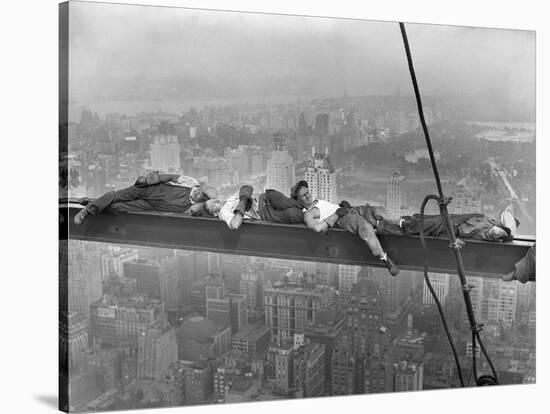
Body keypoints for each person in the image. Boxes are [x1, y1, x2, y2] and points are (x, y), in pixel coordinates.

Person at [291, 180, 400, 277]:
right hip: (342, 218)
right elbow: (317, 228)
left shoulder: (318, 201)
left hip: (348, 209)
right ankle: (384, 258)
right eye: (304, 196)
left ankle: (400, 223)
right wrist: (337, 215)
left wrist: (341, 206)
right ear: (298, 201)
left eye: (308, 192)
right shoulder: (308, 214)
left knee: (378, 211)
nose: (308, 196)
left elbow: (328, 208)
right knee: (366, 228)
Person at [73, 171, 218, 224]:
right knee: (116, 196)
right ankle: (86, 210)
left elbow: (200, 212)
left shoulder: (194, 207)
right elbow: (170, 177)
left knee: (118, 207)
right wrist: (149, 180)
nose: (198, 194)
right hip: (148, 190)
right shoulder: (191, 183)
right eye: (200, 191)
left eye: (202, 196)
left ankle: (92, 203)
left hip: (149, 205)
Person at [375, 204, 520, 242]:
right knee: (415, 221)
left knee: (411, 228)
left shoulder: (489, 230)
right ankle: (381, 223)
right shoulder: (487, 220)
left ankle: (379, 226)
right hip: (446, 221)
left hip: (446, 228)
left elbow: (495, 233)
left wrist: (506, 234)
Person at [203, 185, 304, 229]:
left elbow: (248, 187)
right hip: (264, 211)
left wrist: (244, 197)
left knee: (288, 203)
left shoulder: (229, 199)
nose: (216, 201)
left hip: (265, 197)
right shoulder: (223, 212)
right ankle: (314, 215)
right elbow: (234, 225)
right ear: (214, 214)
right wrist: (242, 204)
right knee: (292, 213)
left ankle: (313, 208)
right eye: (213, 204)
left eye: (213, 200)